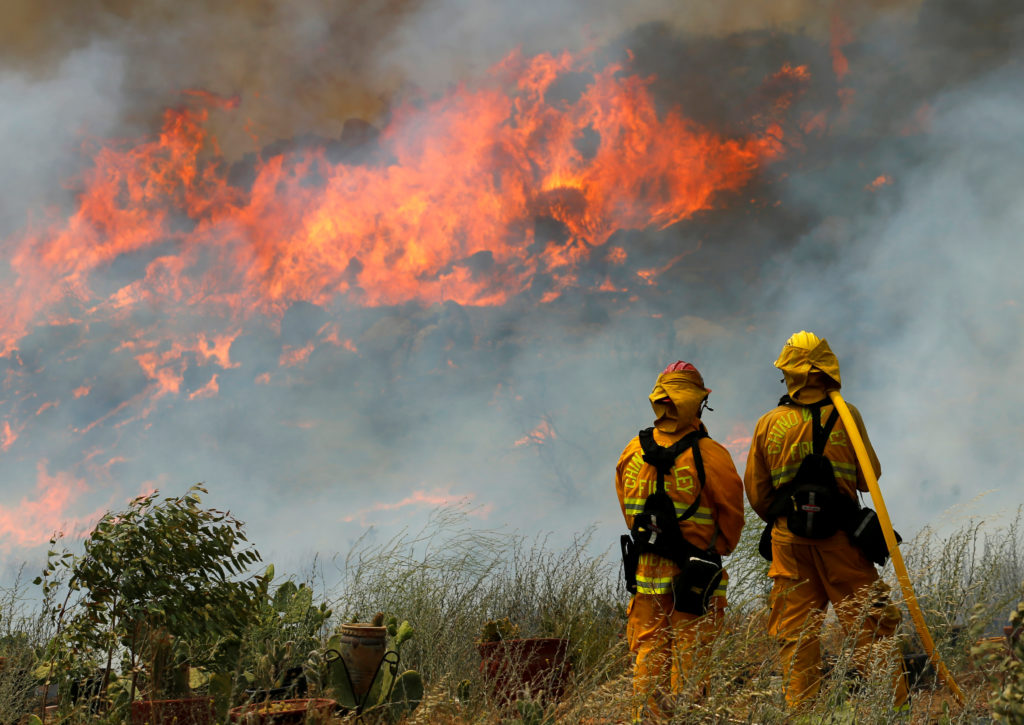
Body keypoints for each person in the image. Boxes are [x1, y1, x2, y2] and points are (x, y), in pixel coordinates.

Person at [744, 331, 909, 712]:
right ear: (827, 370)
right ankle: (894, 713)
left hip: (789, 545)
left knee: (796, 636)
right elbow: (870, 478)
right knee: (870, 628)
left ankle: (803, 715)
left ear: (790, 374)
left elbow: (759, 495)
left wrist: (790, 520)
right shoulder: (847, 416)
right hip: (843, 543)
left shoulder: (769, 423)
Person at [616, 361, 745, 722]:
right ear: (699, 402)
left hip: (645, 576)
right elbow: (733, 519)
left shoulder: (631, 451)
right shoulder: (711, 454)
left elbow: (628, 511)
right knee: (693, 661)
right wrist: (713, 547)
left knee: (648, 660)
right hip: (696, 578)